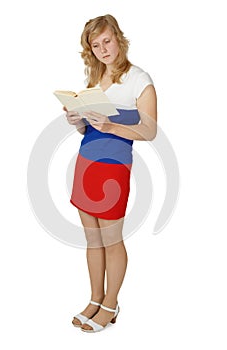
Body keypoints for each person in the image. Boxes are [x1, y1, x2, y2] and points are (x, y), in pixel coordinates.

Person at [64, 14, 157, 333]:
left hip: (113, 170)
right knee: (92, 240)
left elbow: (150, 131)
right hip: (85, 164)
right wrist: (78, 122)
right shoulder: (94, 81)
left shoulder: (139, 79)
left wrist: (112, 125)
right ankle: (94, 298)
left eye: (107, 41)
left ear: (118, 38)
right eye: (95, 45)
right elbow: (91, 132)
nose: (103, 49)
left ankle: (111, 304)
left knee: (111, 240)